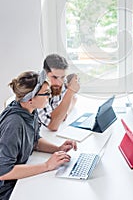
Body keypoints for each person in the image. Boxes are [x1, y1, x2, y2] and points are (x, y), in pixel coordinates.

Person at [0, 71, 77, 200]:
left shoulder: (30, 111)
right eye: (46, 93)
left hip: (17, 178)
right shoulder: (14, 124)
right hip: (6, 190)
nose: (50, 96)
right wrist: (47, 165)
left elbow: (34, 140)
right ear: (30, 99)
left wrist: (57, 149)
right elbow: (3, 172)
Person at [38, 53, 80, 131]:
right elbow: (53, 125)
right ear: (45, 74)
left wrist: (65, 114)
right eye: (54, 77)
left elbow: (74, 99)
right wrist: (70, 91)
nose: (59, 83)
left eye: (62, 77)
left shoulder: (60, 82)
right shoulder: (38, 88)